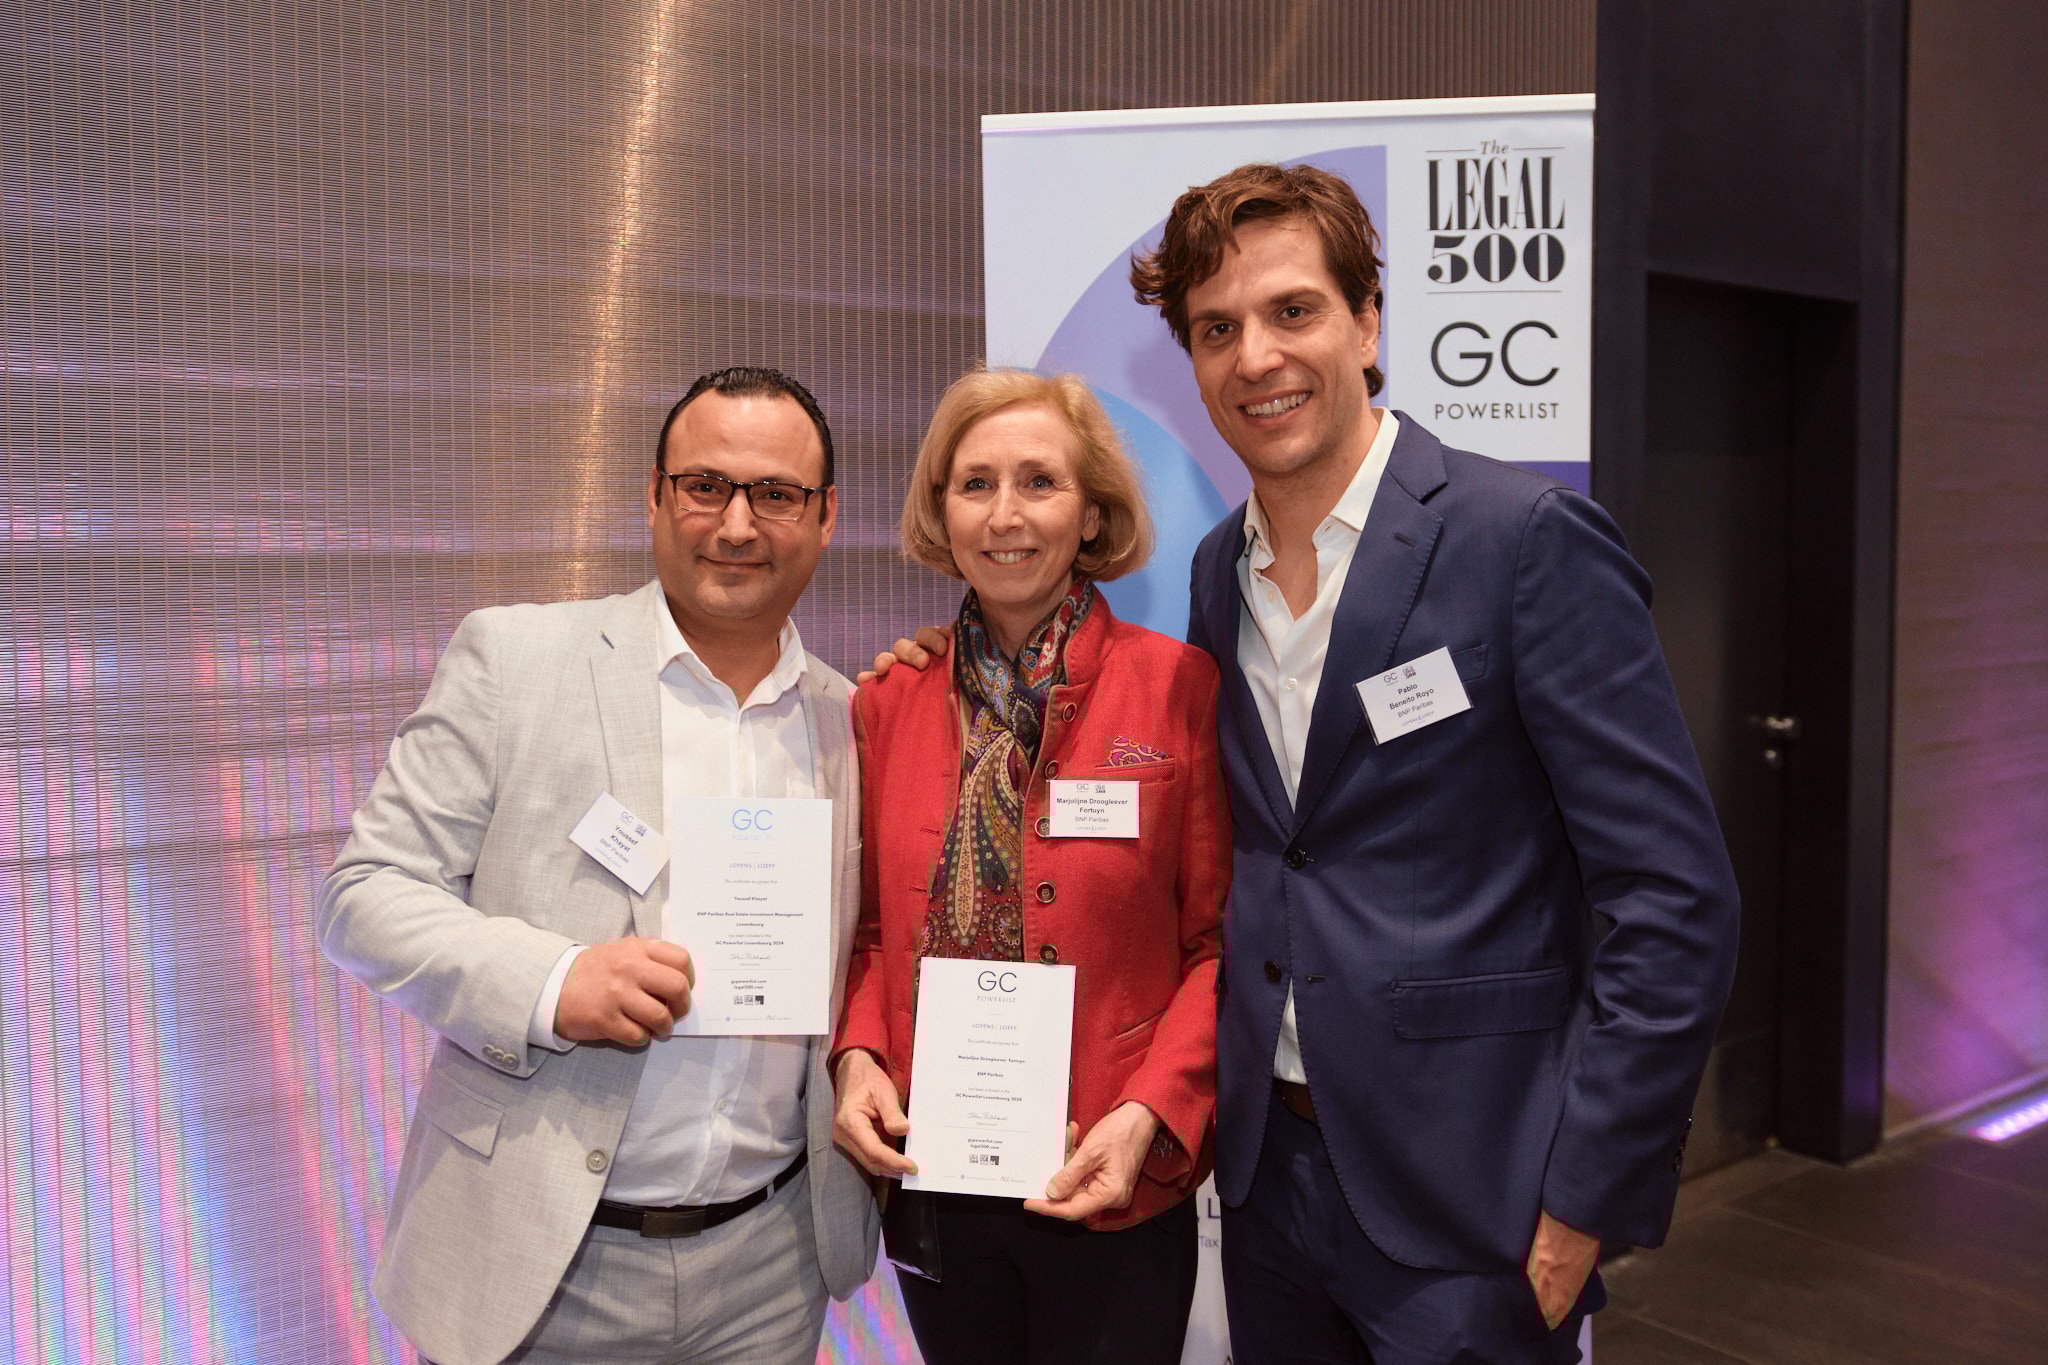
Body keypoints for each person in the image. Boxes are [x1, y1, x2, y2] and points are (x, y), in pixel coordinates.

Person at [877, 164, 1740, 1363]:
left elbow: (1675, 900)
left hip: (1472, 1194)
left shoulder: (1520, 543)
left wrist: (1592, 1185)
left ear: (1366, 323)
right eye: (1215, 330)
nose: (1255, 358)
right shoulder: (1213, 577)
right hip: (1267, 1187)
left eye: (1292, 311)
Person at [318, 366, 879, 1365]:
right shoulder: (515, 659)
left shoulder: (857, 721)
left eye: (775, 494)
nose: (737, 524)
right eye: (704, 486)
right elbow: (364, 895)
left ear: (826, 516)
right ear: (654, 495)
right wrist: (551, 982)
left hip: (770, 1265)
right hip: (541, 1260)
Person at [831, 368, 1229, 1365]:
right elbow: (872, 934)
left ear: (1090, 512)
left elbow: (1220, 946)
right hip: (937, 1180)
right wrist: (858, 1056)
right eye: (975, 484)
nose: (1004, 514)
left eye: (1039, 482)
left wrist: (1148, 1112)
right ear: (942, 512)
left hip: (1111, 1175)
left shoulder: (1177, 688)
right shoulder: (887, 703)